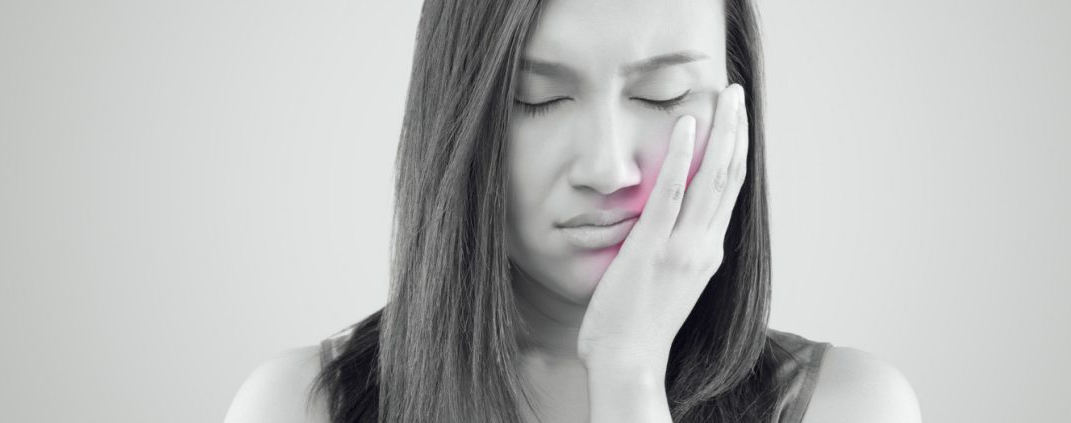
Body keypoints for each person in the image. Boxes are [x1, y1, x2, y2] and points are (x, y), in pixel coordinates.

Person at [225, 0, 922, 421]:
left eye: (663, 94)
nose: (606, 167)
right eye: (537, 98)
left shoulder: (845, 406)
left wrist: (627, 371)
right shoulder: (299, 406)